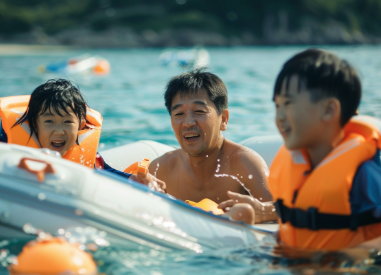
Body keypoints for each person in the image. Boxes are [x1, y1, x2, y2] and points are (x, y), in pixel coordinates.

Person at [221, 48, 381, 250]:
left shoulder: (363, 173)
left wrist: (360, 254)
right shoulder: (295, 165)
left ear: (329, 110)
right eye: (277, 106)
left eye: (288, 104)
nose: (279, 117)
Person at [149, 69, 274, 223]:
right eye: (179, 114)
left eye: (199, 111)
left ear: (223, 119)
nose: (188, 122)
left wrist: (261, 212)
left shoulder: (243, 163)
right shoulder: (161, 170)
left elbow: (279, 210)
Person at [0, 79, 164, 189]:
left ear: (81, 125)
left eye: (67, 122)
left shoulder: (85, 154)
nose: (59, 131)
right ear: (34, 123)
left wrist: (133, 180)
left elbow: (104, 171)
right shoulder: (7, 142)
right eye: (49, 122)